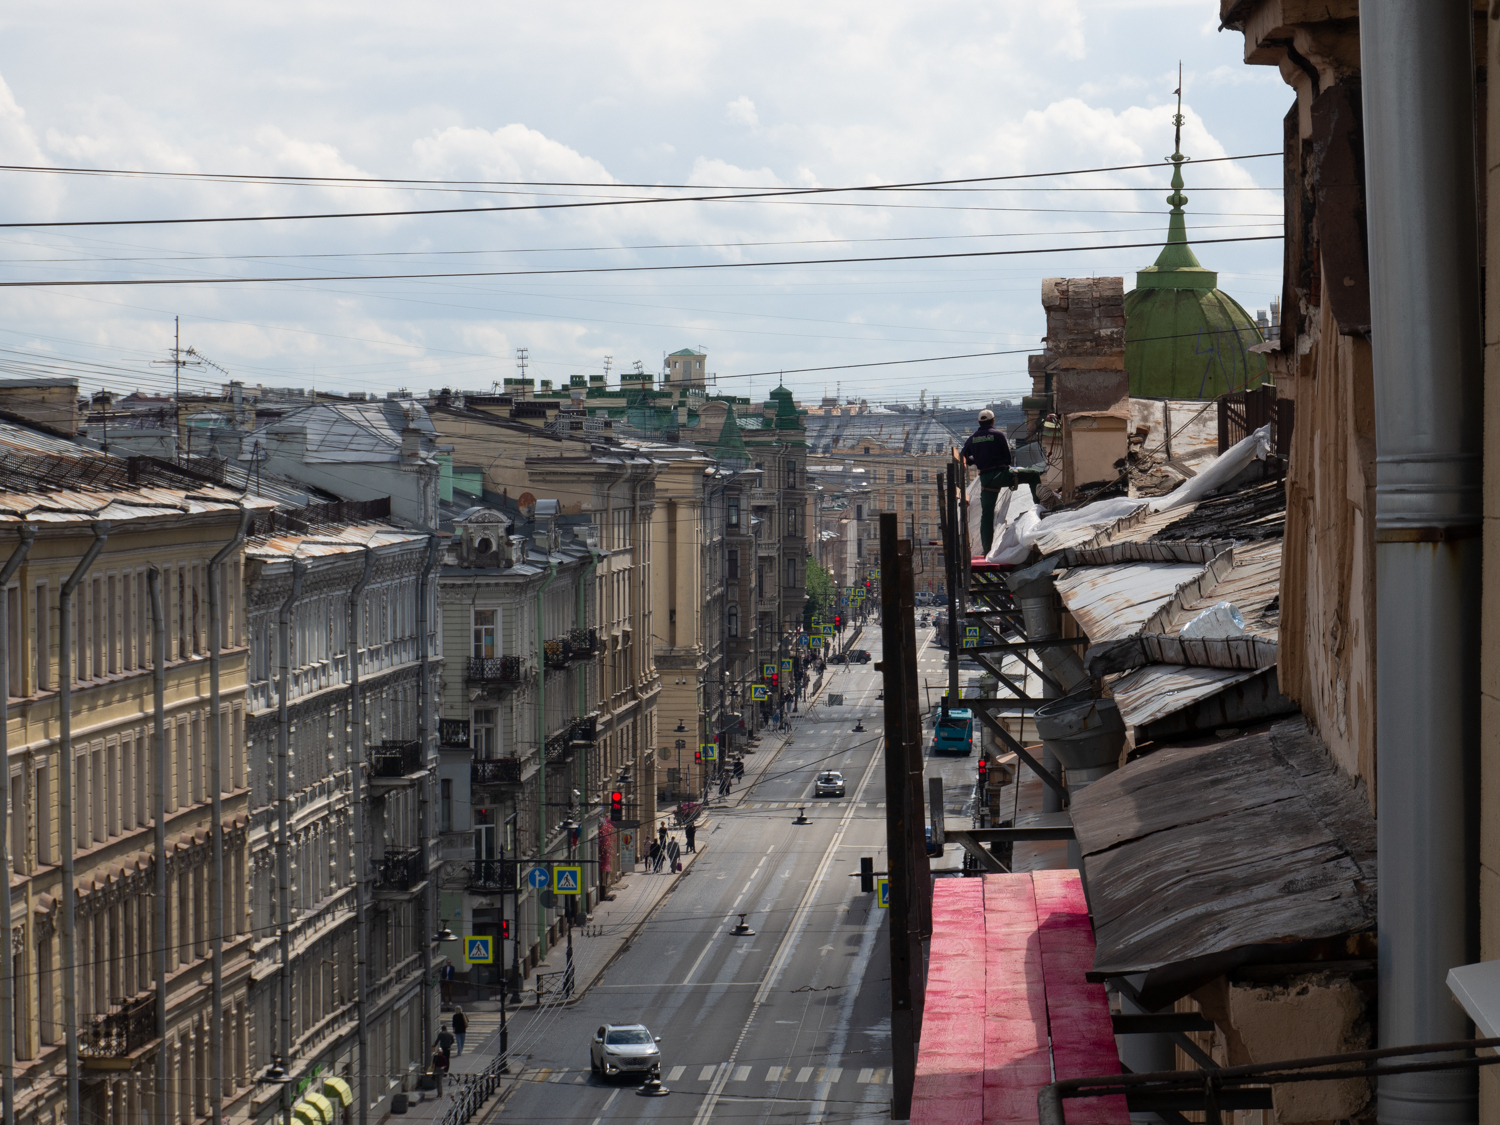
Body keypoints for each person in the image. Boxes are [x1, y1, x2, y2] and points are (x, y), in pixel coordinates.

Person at [960, 409, 1015, 555]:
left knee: (987, 514)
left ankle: (987, 549)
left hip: (985, 479)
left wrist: (976, 461)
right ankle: (1038, 505)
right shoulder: (998, 435)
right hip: (1001, 474)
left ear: (979, 422)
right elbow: (1008, 459)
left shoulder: (972, 438)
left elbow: (962, 456)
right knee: (1031, 476)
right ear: (993, 421)